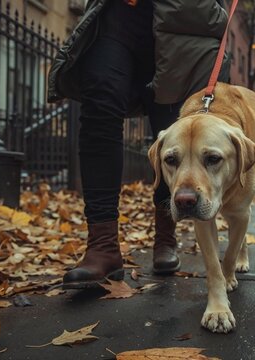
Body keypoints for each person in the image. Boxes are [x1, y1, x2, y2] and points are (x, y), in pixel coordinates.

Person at [47, 0, 230, 289]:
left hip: (182, 20)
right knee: (99, 108)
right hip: (118, 13)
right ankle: (103, 245)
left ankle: (165, 239)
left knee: (172, 134)